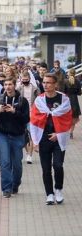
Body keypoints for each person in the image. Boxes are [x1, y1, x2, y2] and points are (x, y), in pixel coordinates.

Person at [30, 73, 73, 205]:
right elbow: (34, 120)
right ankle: (49, 193)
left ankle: (58, 189)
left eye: (49, 83)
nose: (46, 85)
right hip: (43, 137)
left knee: (58, 165)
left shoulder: (64, 99)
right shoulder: (39, 100)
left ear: (55, 84)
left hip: (59, 137)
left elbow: (67, 119)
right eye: (44, 82)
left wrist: (58, 134)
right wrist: (35, 141)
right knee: (46, 168)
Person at [0, 77, 30, 198]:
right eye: (6, 85)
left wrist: (14, 112)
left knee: (17, 164)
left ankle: (15, 184)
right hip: (2, 135)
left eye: (10, 84)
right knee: (5, 162)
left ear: (14, 86)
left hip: (18, 135)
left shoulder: (22, 101)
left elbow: (26, 119)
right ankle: (6, 188)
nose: (8, 87)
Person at [16, 70, 40, 164]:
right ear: (21, 79)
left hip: (32, 115)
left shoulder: (35, 89)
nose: (25, 81)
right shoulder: (18, 89)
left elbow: (40, 101)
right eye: (23, 79)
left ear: (30, 79)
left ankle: (29, 155)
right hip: (22, 115)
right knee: (23, 135)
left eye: (26, 79)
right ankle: (27, 152)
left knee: (31, 135)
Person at [64, 69, 81, 138]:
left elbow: (63, 91)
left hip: (67, 100)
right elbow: (79, 93)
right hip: (75, 101)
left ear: (69, 73)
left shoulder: (65, 81)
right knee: (74, 118)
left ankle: (67, 132)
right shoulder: (77, 81)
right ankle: (71, 133)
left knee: (66, 117)